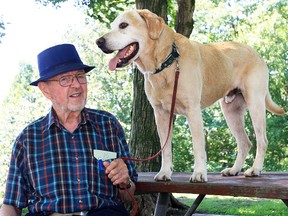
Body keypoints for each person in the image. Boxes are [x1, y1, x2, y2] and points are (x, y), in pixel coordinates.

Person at [0, 44, 137, 216]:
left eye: (80, 76)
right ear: (45, 90)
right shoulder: (28, 139)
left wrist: (125, 180)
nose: (76, 85)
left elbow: (128, 193)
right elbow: (11, 205)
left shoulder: (108, 125)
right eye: (65, 79)